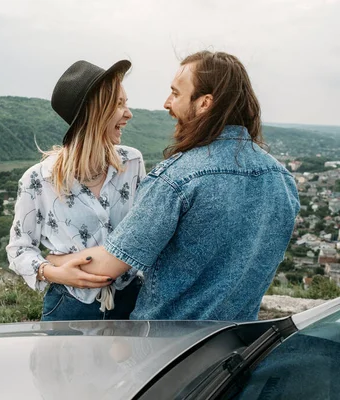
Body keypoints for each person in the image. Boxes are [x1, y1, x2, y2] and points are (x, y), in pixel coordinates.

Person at [48, 51, 300, 321]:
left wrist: (50, 263)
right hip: (238, 345)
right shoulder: (283, 181)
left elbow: (107, 267)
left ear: (204, 103)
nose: (167, 103)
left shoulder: (176, 178)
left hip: (168, 345)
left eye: (176, 93)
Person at [6, 59, 146, 321]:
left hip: (132, 301)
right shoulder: (39, 179)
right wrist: (56, 272)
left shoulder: (132, 163)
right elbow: (19, 248)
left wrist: (61, 259)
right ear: (94, 112)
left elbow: (144, 233)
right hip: (69, 305)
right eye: (119, 104)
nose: (128, 113)